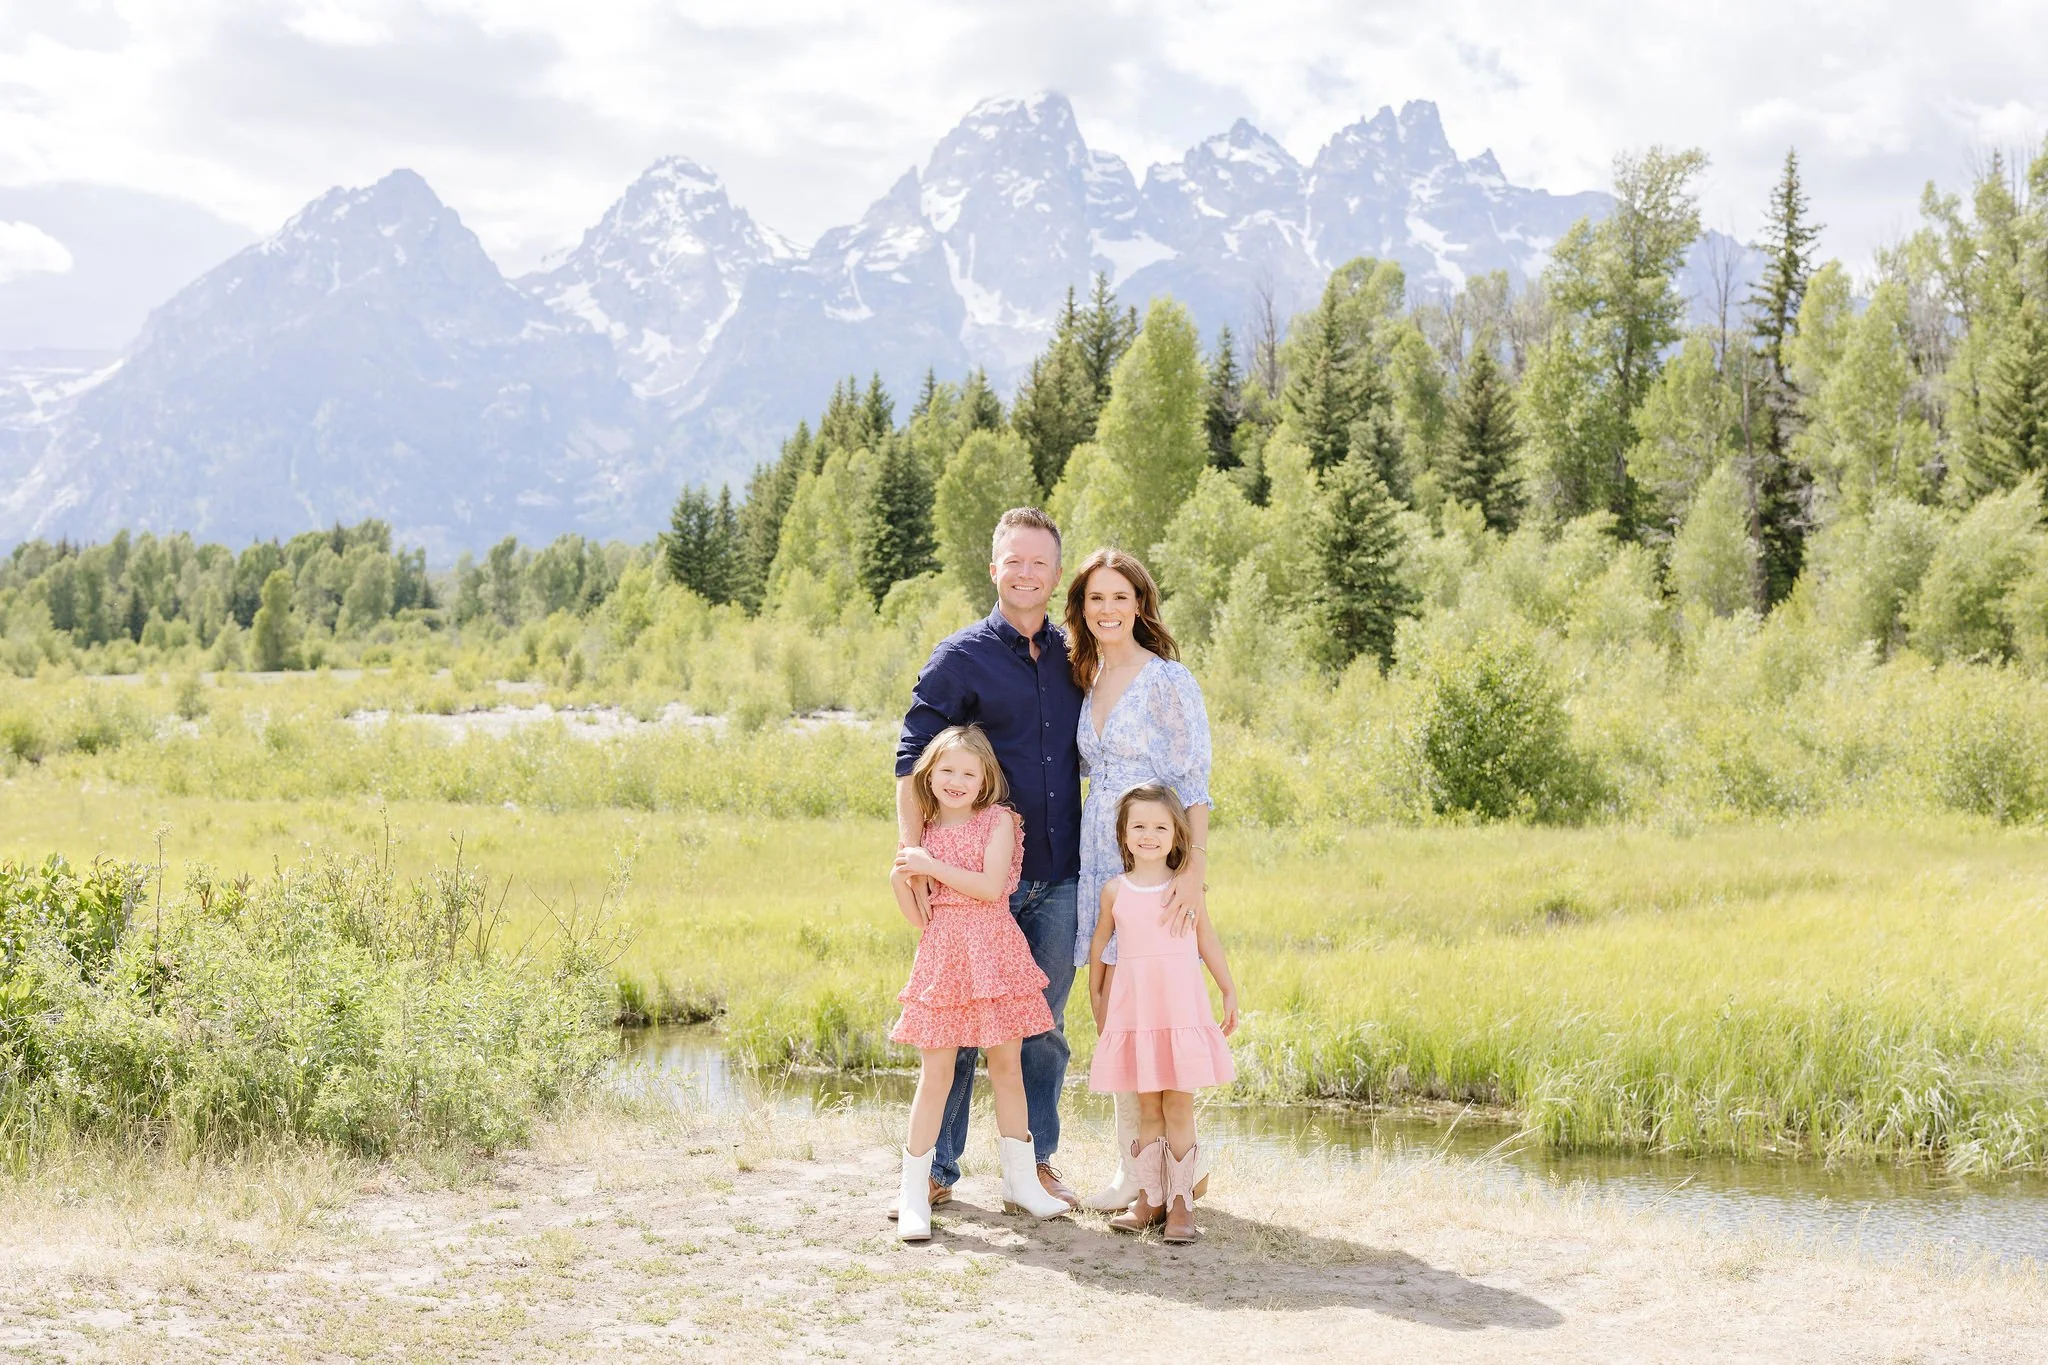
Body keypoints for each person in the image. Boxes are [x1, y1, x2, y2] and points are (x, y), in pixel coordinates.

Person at [892, 507, 1085, 1219]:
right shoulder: (959, 657)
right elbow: (910, 763)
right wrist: (911, 860)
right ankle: (939, 1168)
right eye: (1015, 560)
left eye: (1040, 562)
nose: (1027, 573)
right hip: (970, 887)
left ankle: (1032, 1165)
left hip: (1058, 870)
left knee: (1042, 1026)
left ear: (1055, 572)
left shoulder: (1077, 655)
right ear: (993, 566)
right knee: (956, 1029)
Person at [1061, 548, 1219, 1212]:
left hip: (1155, 864)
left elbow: (1194, 781)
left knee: (1158, 1008)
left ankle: (1166, 1175)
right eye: (1095, 598)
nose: (1107, 609)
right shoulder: (1087, 674)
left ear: (1140, 604)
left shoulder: (1168, 680)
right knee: (1119, 1010)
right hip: (1100, 854)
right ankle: (1146, 1174)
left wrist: (1195, 869)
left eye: (1119, 597)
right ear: (1082, 608)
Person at [888, 725, 1074, 1240]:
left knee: (1007, 1067)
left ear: (985, 778)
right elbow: (919, 915)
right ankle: (913, 1192)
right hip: (945, 955)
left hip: (996, 951)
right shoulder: (920, 831)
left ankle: (1020, 1182)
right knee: (937, 1074)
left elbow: (992, 888)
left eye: (968, 772)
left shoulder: (999, 822)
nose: (956, 781)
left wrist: (931, 864)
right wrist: (902, 877)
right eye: (946, 770)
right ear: (929, 774)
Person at [1088, 783, 1237, 1243]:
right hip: (1137, 1014)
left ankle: (1181, 1204)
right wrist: (1098, 1001)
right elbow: (1099, 947)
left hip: (1179, 1010)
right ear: (1123, 834)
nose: (1148, 835)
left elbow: (1207, 940)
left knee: (1178, 1104)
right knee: (1148, 1105)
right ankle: (1150, 1197)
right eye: (1138, 826)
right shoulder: (1115, 890)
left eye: (1160, 827)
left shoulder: (1184, 889)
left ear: (1177, 836)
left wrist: (1229, 990)